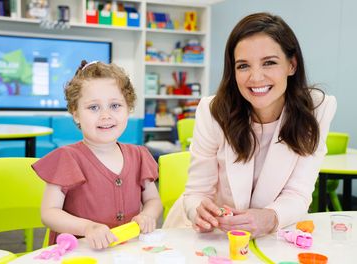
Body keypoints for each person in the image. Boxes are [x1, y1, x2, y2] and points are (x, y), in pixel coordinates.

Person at [163, 12, 337, 237]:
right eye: (243, 66)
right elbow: (196, 193)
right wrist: (198, 210)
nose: (256, 78)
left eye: (269, 63)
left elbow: (298, 193)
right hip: (210, 233)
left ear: (291, 65)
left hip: (271, 233)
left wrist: (271, 218)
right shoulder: (213, 110)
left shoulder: (316, 109)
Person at [32, 61, 162, 249]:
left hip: (127, 250)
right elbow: (49, 213)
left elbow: (152, 200)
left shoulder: (139, 155)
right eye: (94, 107)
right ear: (76, 113)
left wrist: (148, 215)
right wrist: (87, 227)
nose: (106, 115)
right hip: (80, 253)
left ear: (128, 109)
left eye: (115, 105)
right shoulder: (67, 158)